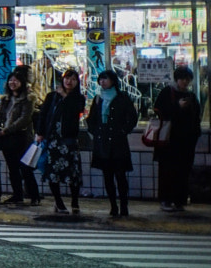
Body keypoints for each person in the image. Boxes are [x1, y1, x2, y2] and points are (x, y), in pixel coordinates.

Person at [86, 69, 139, 218]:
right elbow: (91, 119)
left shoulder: (122, 97)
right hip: (102, 142)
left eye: (105, 79)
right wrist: (95, 132)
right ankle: (113, 206)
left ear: (113, 80)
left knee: (120, 175)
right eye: (101, 79)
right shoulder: (98, 98)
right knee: (107, 176)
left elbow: (132, 117)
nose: (102, 82)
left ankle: (123, 205)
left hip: (118, 142)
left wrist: (123, 131)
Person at [151, 66, 202, 213]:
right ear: (176, 79)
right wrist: (177, 106)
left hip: (186, 141)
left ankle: (179, 200)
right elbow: (159, 111)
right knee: (168, 170)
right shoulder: (168, 92)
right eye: (182, 79)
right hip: (169, 140)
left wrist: (195, 135)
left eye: (188, 79)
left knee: (183, 171)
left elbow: (196, 116)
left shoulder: (191, 95)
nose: (185, 82)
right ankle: (166, 200)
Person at [36, 67, 87, 215]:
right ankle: (58, 202)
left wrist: (65, 96)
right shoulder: (52, 96)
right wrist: (40, 132)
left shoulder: (78, 98)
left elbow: (74, 111)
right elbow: (43, 115)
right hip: (53, 140)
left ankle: (75, 202)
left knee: (74, 174)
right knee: (53, 173)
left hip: (69, 140)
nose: (69, 81)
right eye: (66, 78)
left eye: (72, 79)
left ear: (77, 82)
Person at [0, 67, 38, 206]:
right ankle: (17, 195)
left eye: (16, 80)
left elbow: (24, 119)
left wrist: (6, 130)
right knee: (12, 168)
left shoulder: (28, 98)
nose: (12, 83)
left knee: (25, 168)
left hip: (22, 137)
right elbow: (0, 116)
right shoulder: (6, 99)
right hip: (7, 138)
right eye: (11, 80)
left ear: (22, 82)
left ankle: (34, 195)